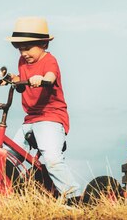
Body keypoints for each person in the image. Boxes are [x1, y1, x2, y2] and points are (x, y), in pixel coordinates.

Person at [5, 16, 80, 199]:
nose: (24, 53)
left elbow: (51, 76)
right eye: (20, 48)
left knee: (52, 160)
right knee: (8, 156)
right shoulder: (22, 62)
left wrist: (42, 78)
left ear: (44, 44)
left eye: (28, 48)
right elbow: (22, 83)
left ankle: (74, 197)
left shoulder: (49, 61)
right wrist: (11, 79)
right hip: (31, 119)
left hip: (51, 117)